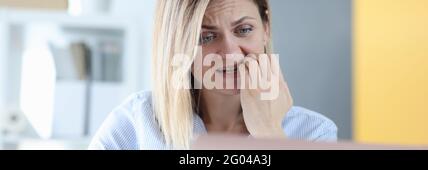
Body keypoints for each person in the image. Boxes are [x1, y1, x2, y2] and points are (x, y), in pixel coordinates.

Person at [89, 0, 337, 150]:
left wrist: (269, 132)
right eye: (206, 37)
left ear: (266, 29)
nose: (230, 52)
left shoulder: (314, 132)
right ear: (178, 45)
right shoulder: (135, 123)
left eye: (244, 29)